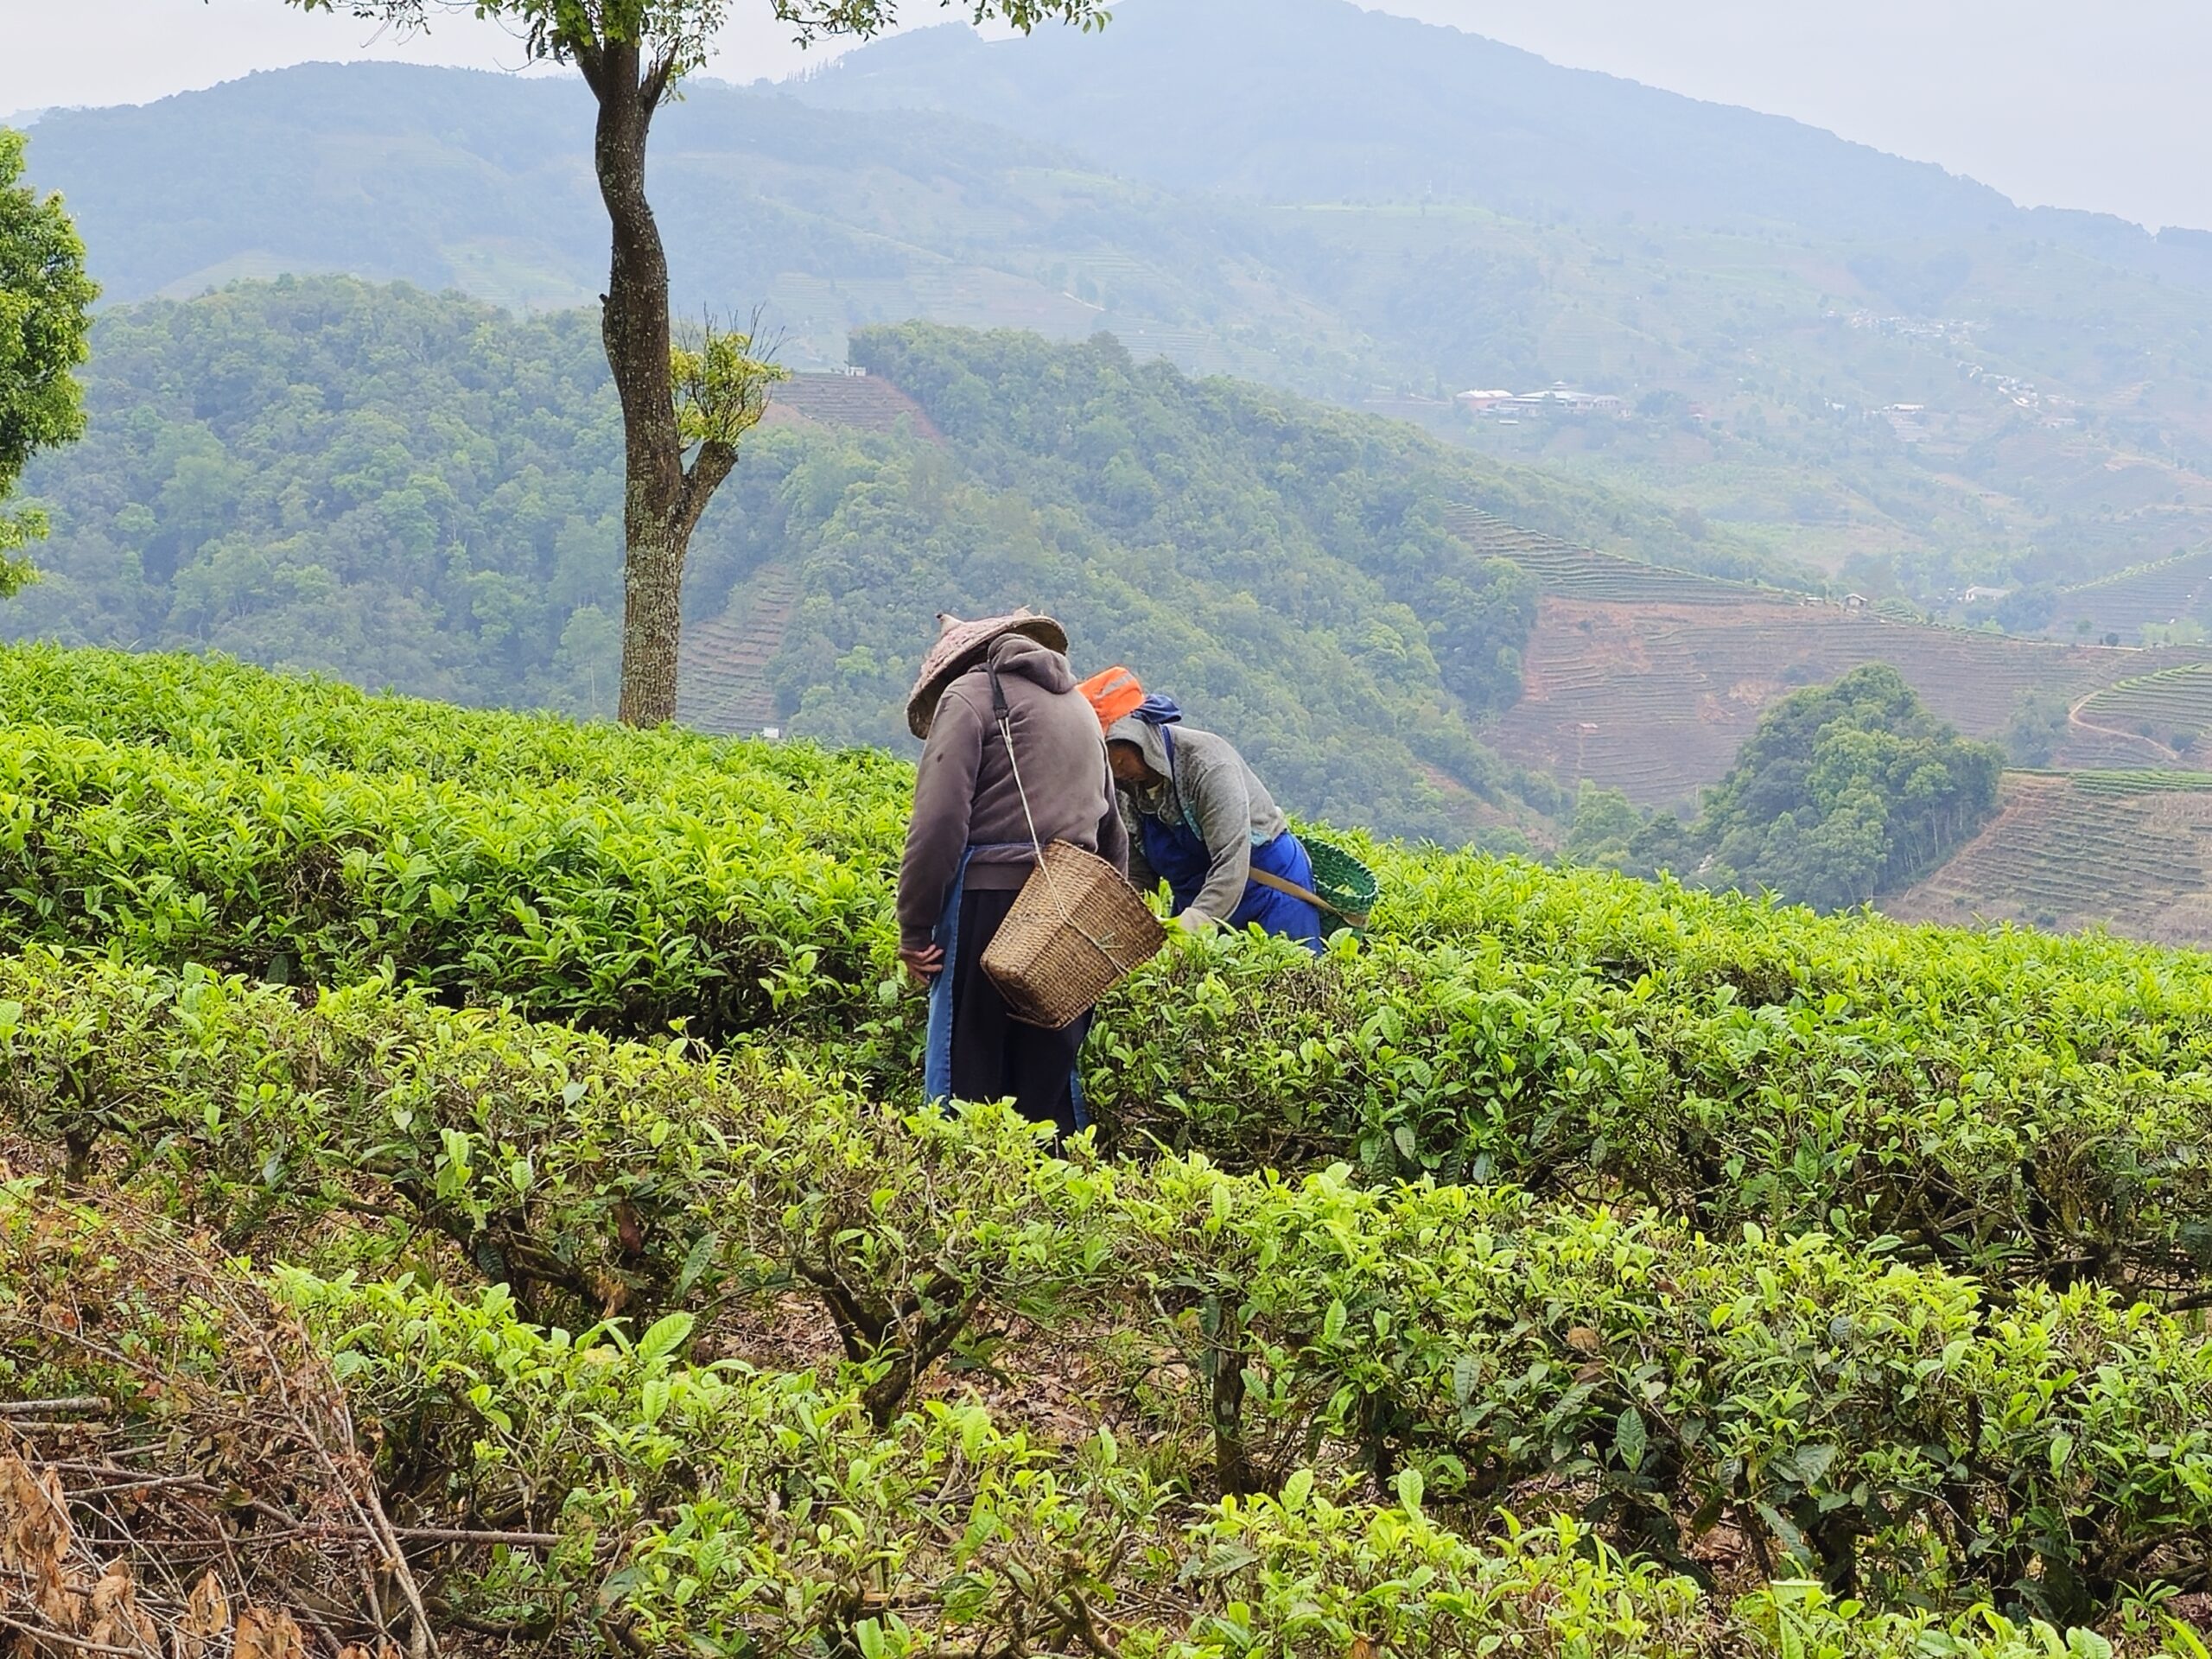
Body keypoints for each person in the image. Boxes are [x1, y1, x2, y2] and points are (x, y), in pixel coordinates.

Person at [897, 609, 1128, 1141]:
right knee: (1047, 1078)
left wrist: (914, 928)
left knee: (965, 1077)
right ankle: (1055, 1207)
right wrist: (1098, 925)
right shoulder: (1080, 708)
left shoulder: (969, 698)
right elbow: (1112, 828)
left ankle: (964, 1200)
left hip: (988, 903)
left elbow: (937, 824)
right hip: (1069, 908)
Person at [1078, 666, 1325, 950]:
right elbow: (1139, 874)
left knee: (1286, 982)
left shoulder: (1207, 767)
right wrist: (1129, 922)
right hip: (1197, 899)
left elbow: (1231, 863)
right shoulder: (1126, 790)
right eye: (1110, 768)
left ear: (1140, 740)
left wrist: (1191, 926)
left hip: (1267, 892)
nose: (1119, 774)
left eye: (1121, 763)